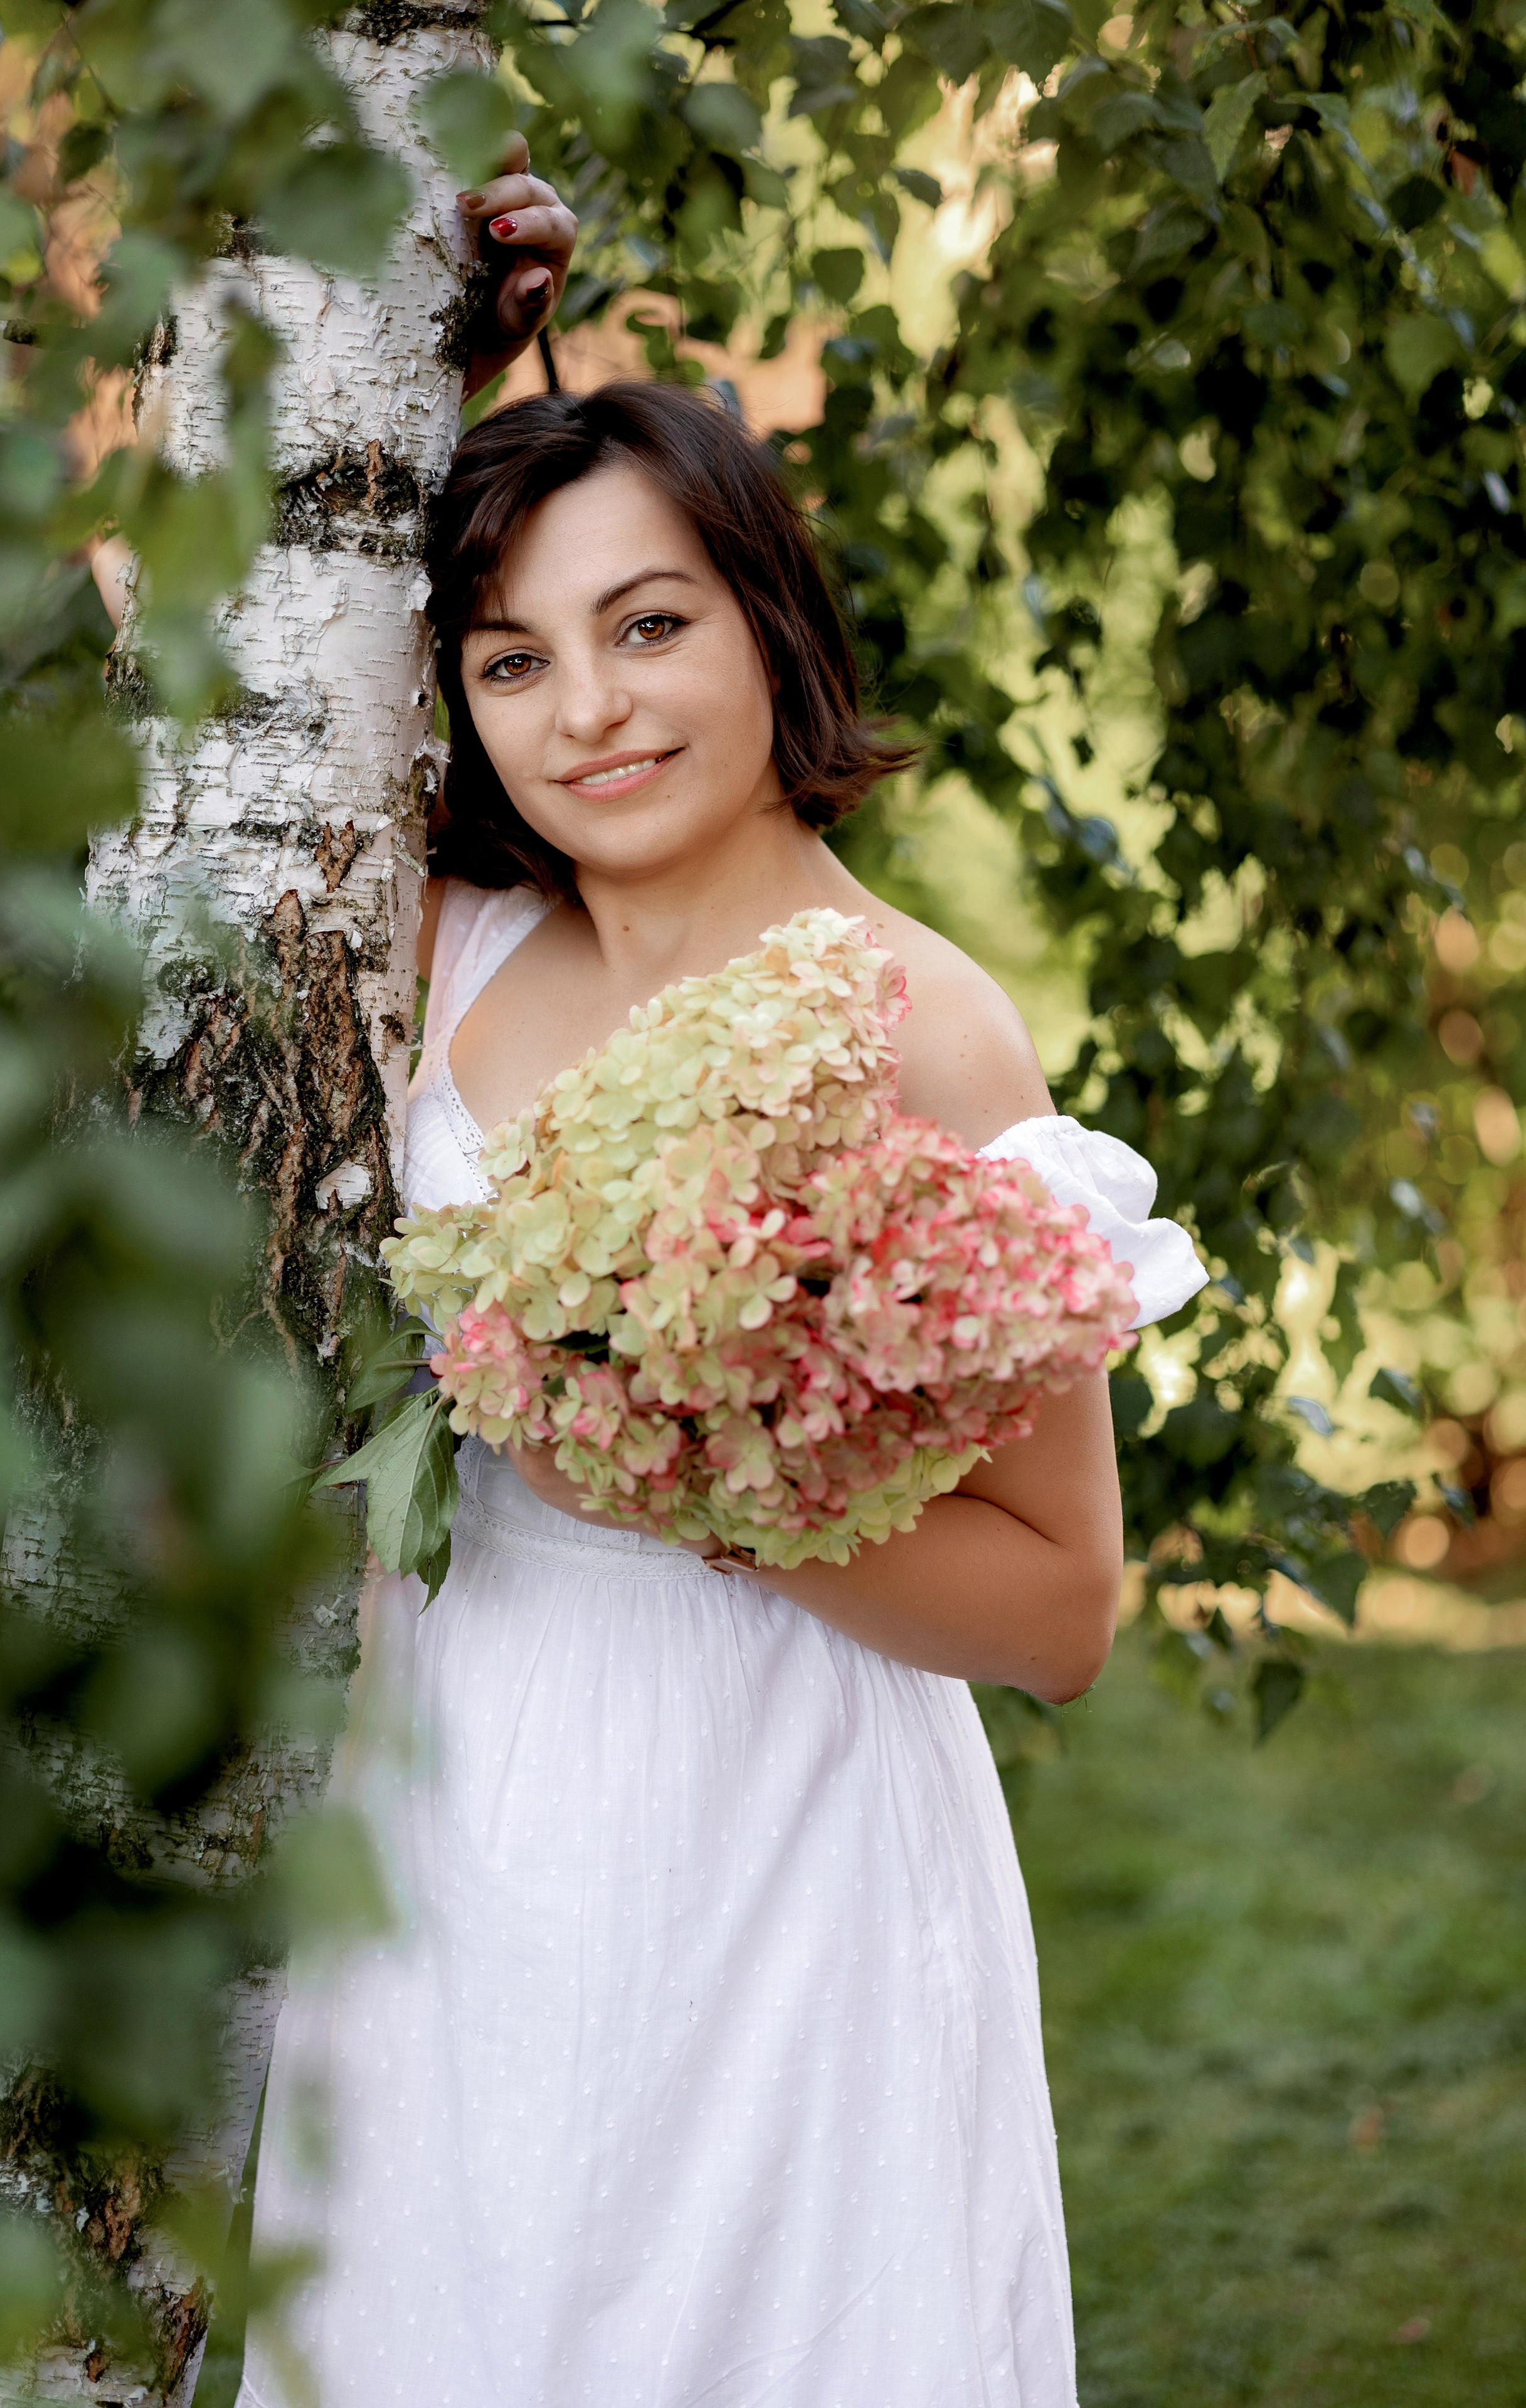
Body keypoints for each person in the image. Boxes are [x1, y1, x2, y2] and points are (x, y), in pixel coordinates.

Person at [235, 381, 1206, 2399]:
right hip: (445, 1811)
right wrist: (468, 325)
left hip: (784, 1849)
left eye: (650, 623)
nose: (589, 706)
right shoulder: (443, 948)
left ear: (769, 616)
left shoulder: (928, 1028)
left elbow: (1060, 1611)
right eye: (514, 658)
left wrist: (699, 1477)